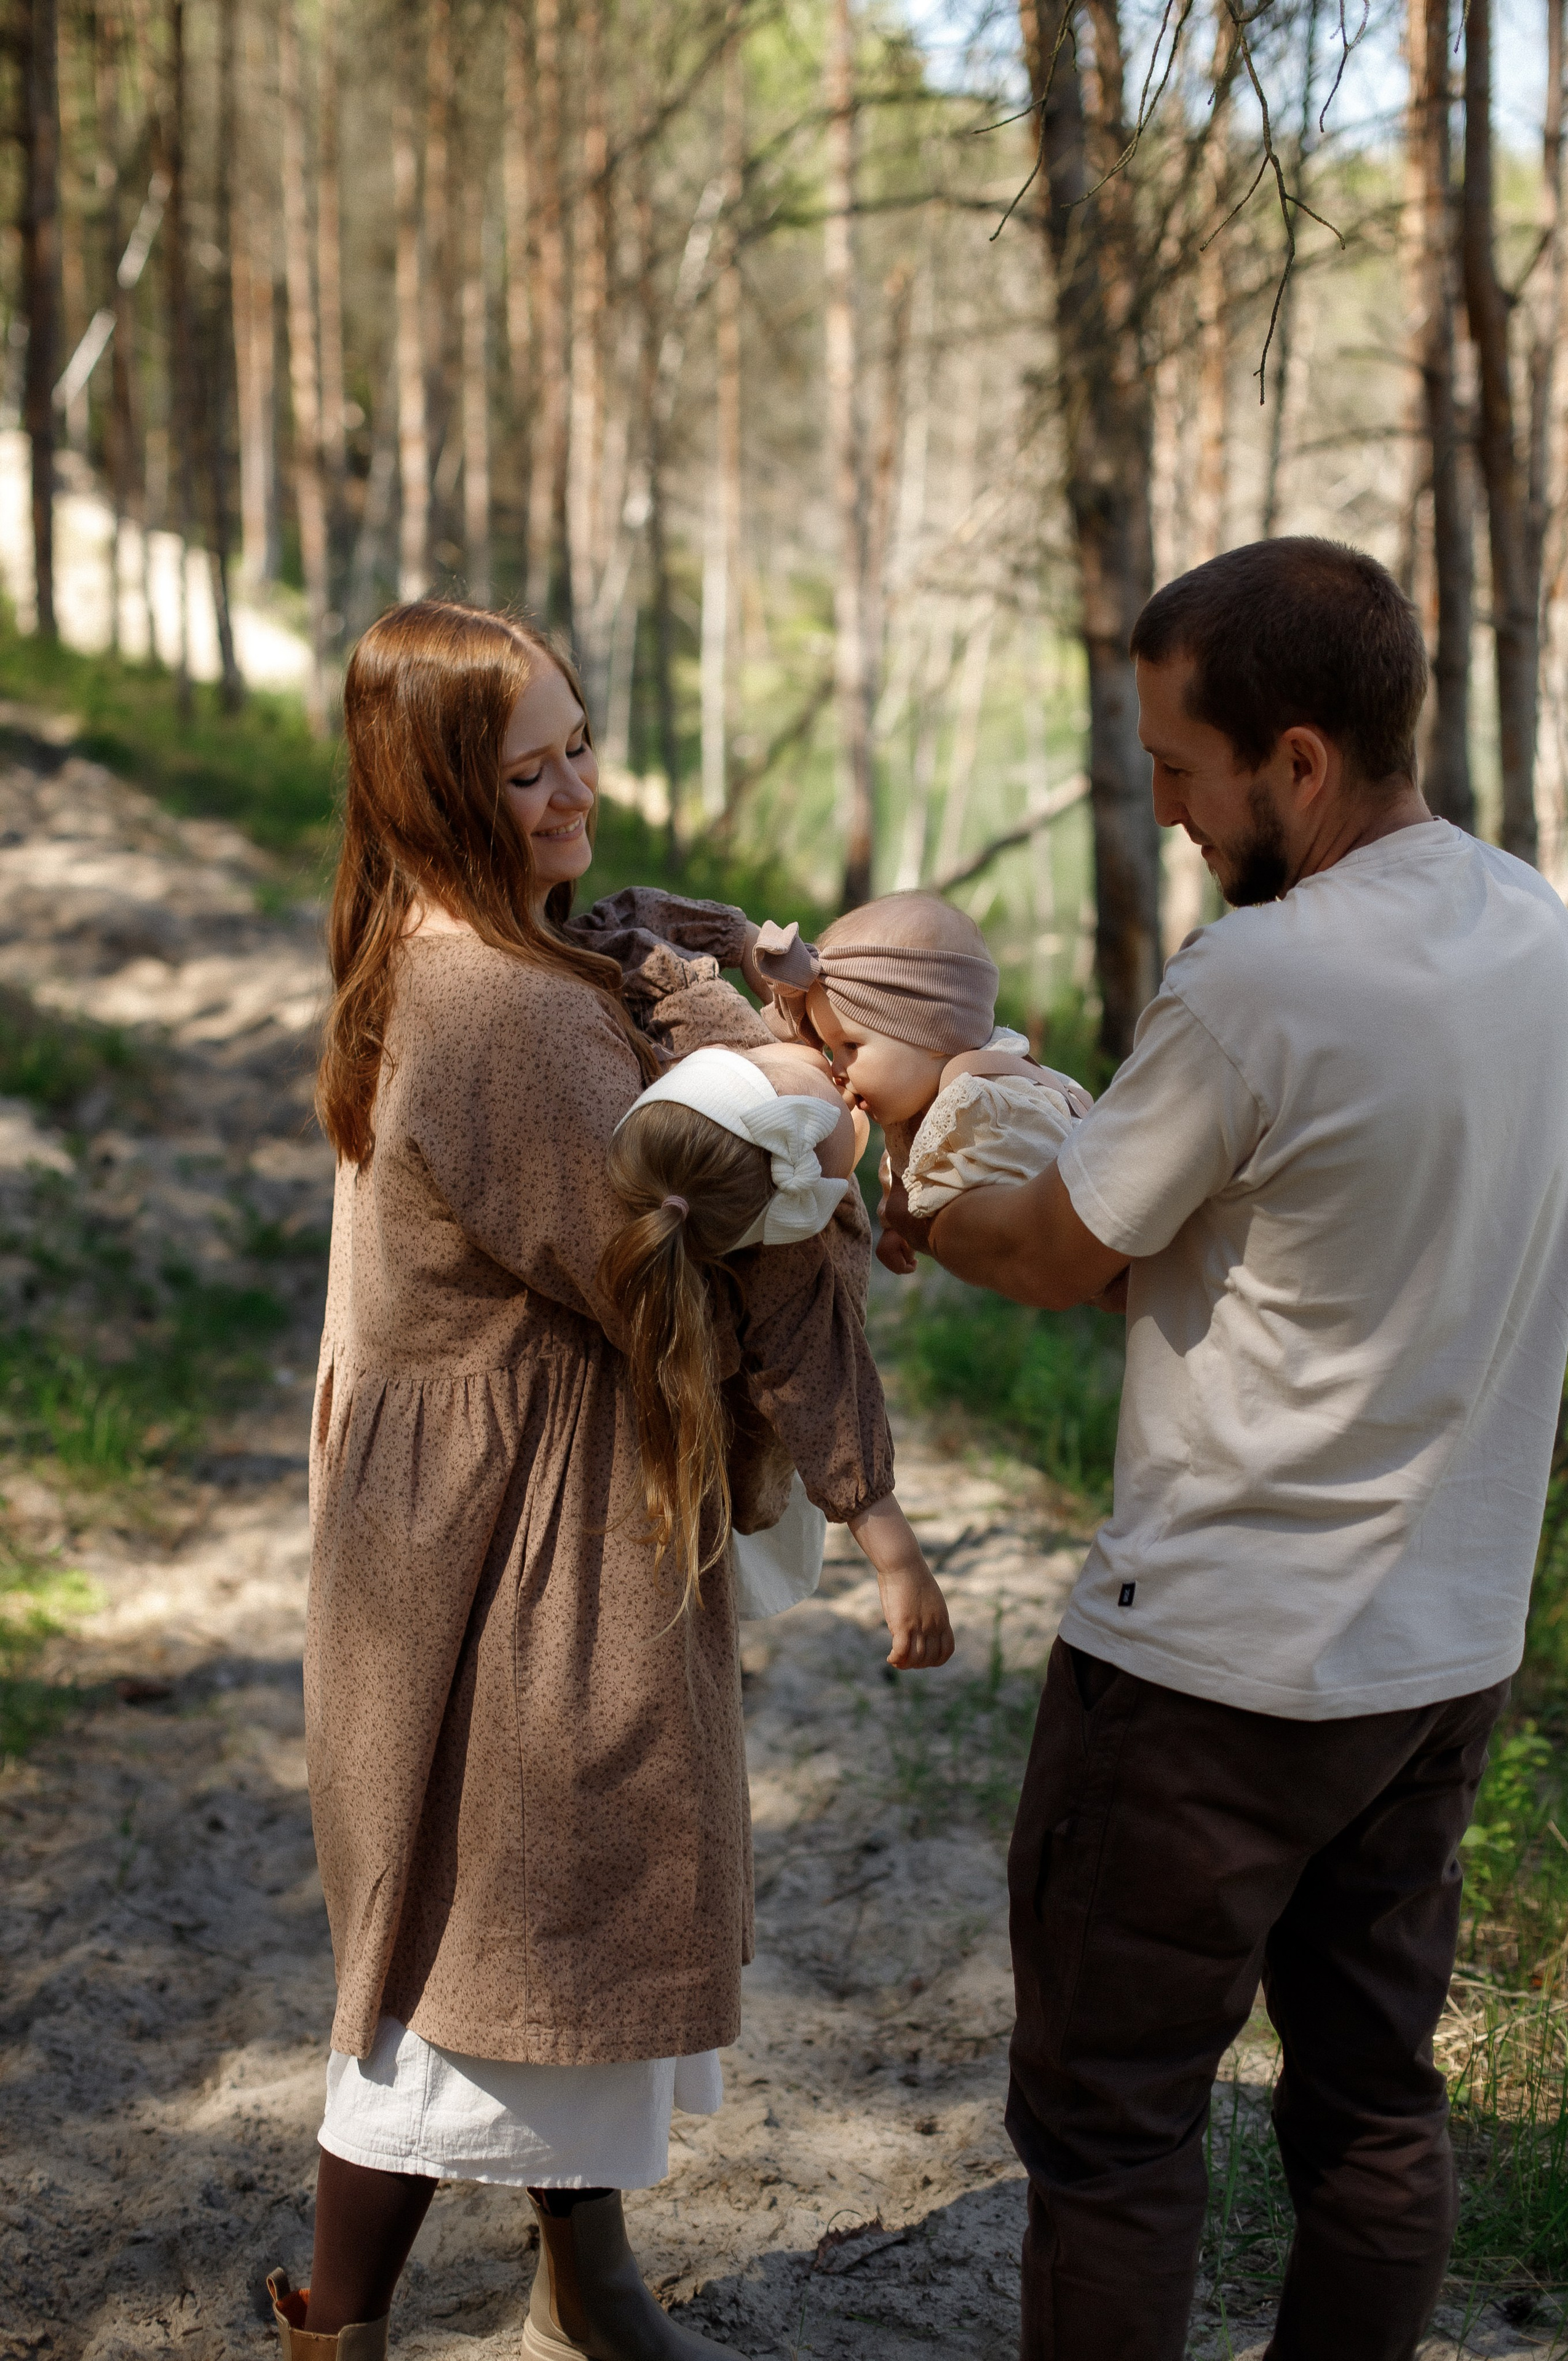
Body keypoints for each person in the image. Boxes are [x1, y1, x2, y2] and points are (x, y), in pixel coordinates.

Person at [881, 538, 1568, 2361]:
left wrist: (919, 1166)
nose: (1169, 808)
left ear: (1297, 763)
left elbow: (1051, 1249)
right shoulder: (1541, 935)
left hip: (1208, 1670)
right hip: (1438, 1656)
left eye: (1184, 770)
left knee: (1108, 2132)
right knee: (1370, 2099)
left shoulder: (1258, 977)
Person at [266, 600, 940, 2361]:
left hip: (503, 1501)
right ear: (440, 793)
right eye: (530, 766)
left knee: (550, 1895)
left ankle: (588, 2281)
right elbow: (652, 1259)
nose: (578, 789)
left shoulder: (499, 949)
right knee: (487, 1923)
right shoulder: (493, 1004)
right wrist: (813, 1127)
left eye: (579, 743)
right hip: (501, 1547)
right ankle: (336, 2327)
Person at [604, 1038, 954, 1666]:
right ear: (806, 1176)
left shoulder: (700, 1132)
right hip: (759, 1445)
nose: (832, 1071)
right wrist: (900, 1564)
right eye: (836, 1110)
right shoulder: (787, 1267)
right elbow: (827, 1406)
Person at [748, 892, 1091, 1275]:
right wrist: (898, 1225)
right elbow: (905, 1160)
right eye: (831, 1050)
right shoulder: (921, 1097)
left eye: (850, 1046)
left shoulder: (988, 1105)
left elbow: (1057, 1191)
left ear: (932, 1034)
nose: (837, 1069)